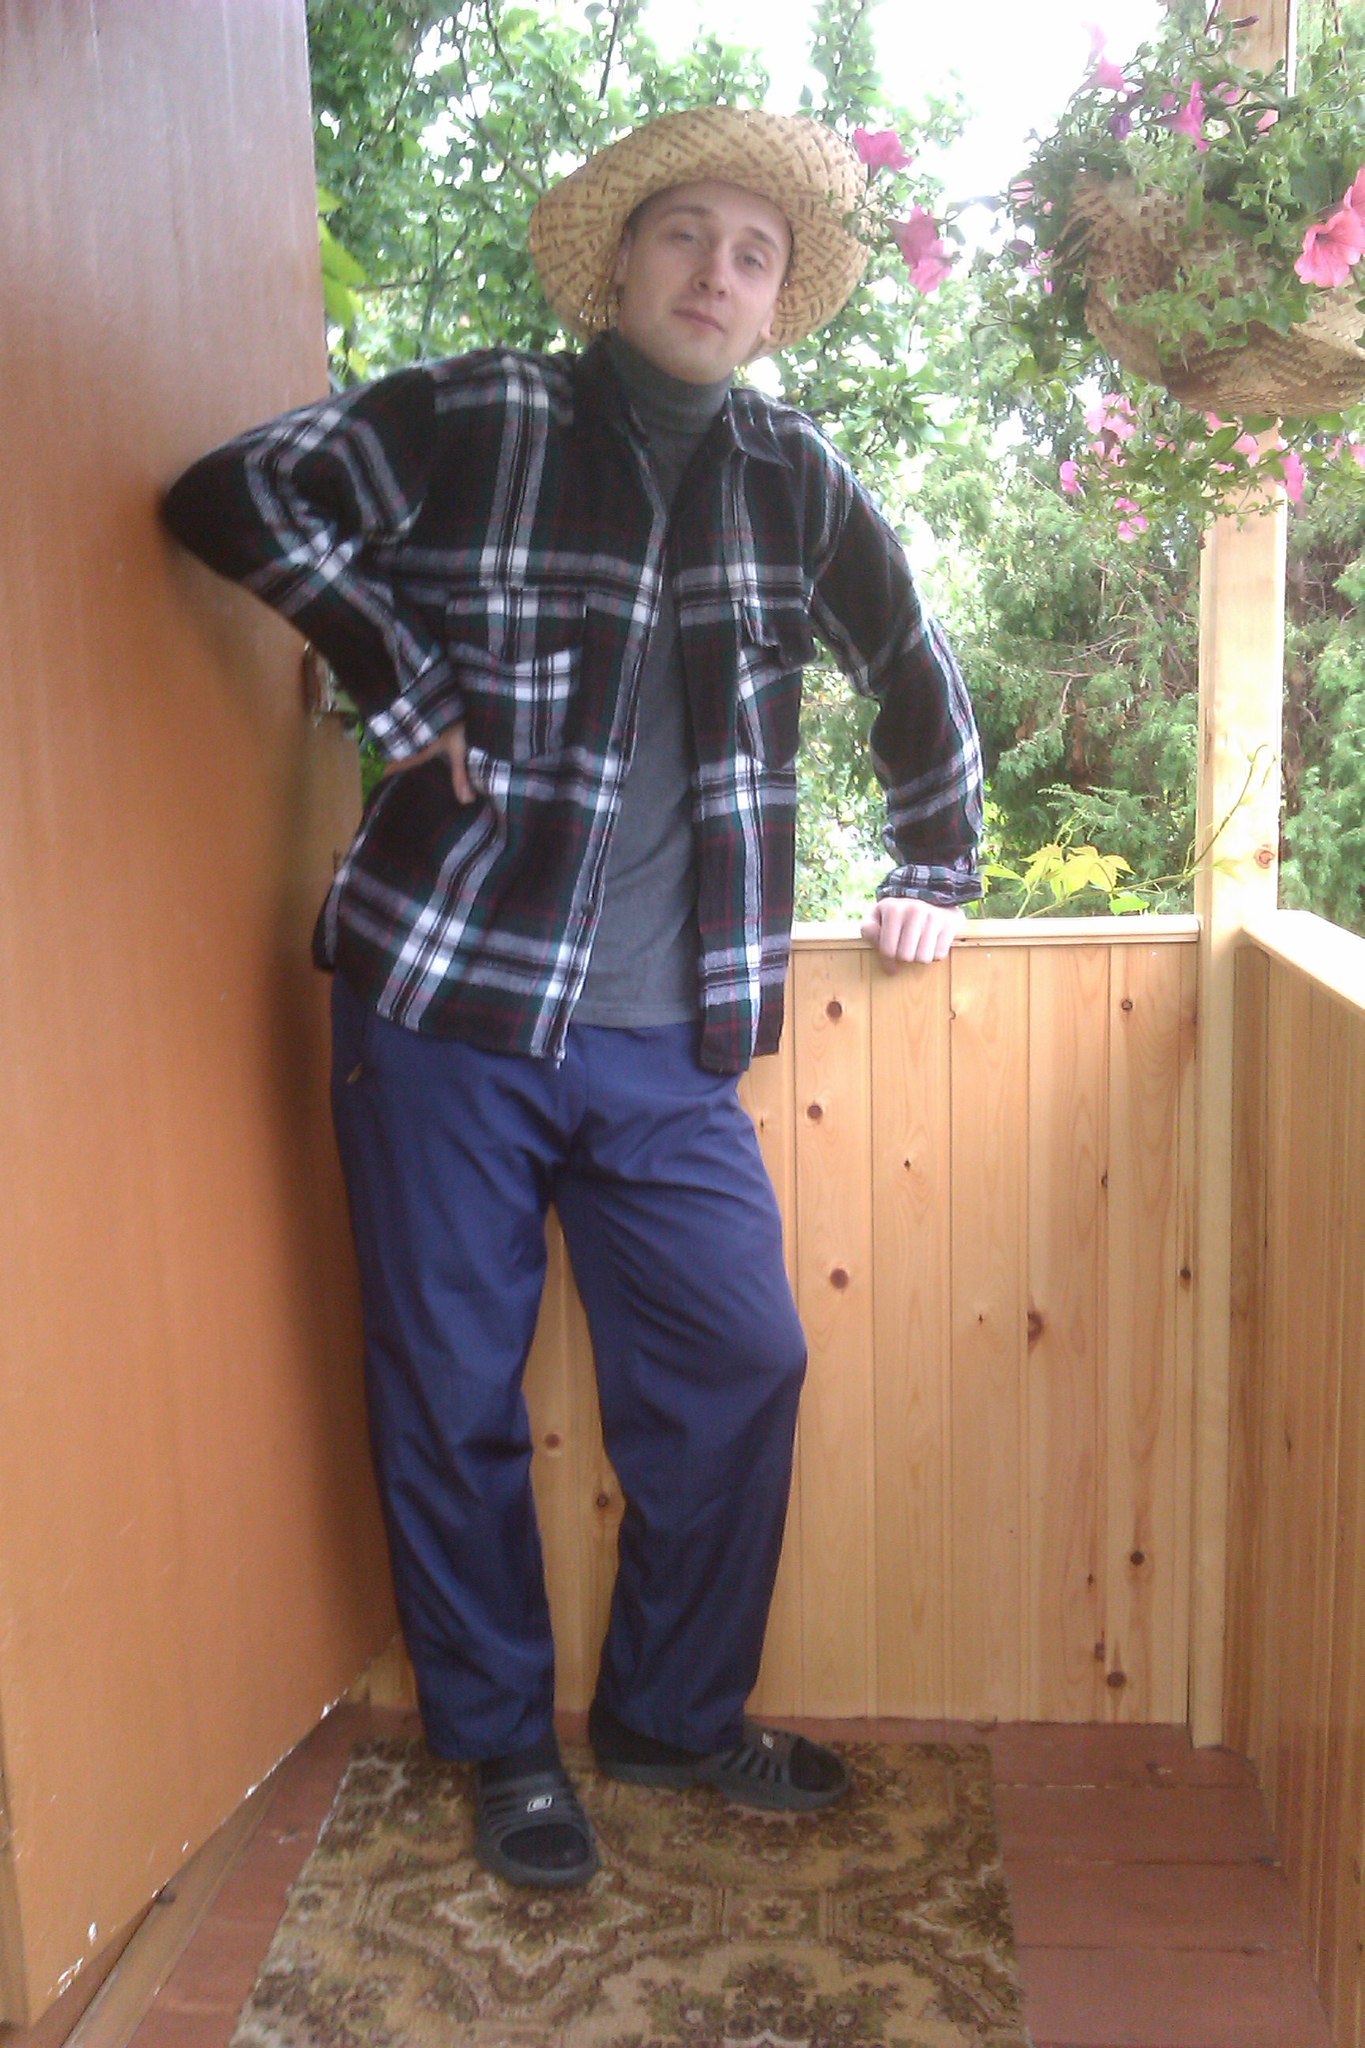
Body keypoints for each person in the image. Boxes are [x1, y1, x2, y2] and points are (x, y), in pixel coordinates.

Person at [162, 105, 983, 1891]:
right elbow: (233, 495)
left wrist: (936, 863)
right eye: (684, 234)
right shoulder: (479, 415)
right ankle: (501, 1746)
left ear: (773, 302)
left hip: (671, 1044)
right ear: (619, 263)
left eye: (751, 253)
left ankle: (671, 1720)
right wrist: (398, 677)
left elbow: (910, 661)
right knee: (450, 1385)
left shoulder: (796, 480)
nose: (714, 272)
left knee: (741, 1364)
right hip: (440, 1010)